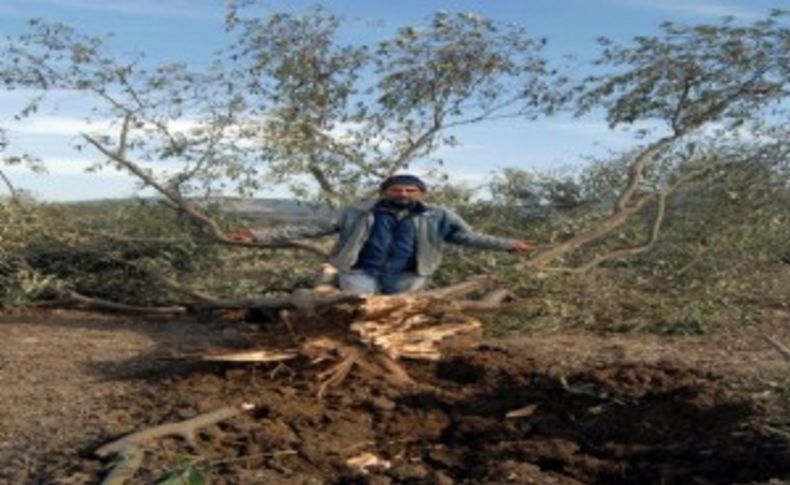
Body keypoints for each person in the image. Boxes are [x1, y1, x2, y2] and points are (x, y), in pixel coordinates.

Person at [228, 174, 536, 295]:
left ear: (421, 193)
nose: (403, 194)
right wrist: (256, 235)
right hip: (360, 271)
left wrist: (510, 245)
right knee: (354, 315)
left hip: (409, 274)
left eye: (409, 190)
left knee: (399, 319)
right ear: (384, 191)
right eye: (396, 189)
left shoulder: (437, 215)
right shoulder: (359, 211)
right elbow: (310, 227)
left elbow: (468, 236)